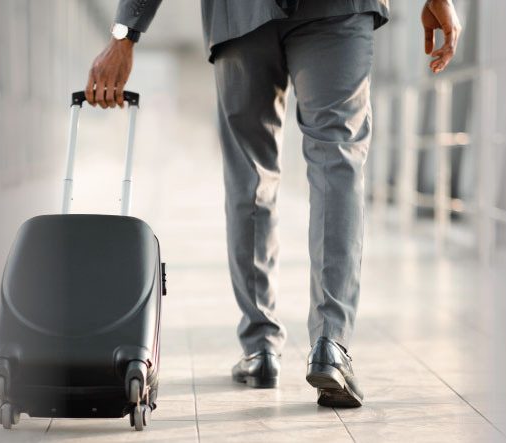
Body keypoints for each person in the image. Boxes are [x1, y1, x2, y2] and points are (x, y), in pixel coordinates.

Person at [84, 0, 462, 407]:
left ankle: (260, 348)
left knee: (251, 174)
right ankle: (331, 343)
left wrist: (126, 32)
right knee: (337, 163)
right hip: (338, 10)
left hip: (240, 15)